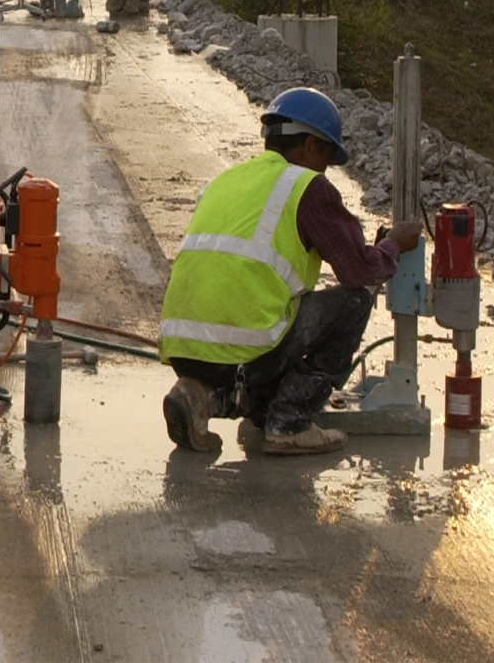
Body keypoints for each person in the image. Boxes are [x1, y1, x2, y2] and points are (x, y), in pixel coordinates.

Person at [158, 88, 423, 456]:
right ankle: (291, 422)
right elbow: (358, 271)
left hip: (185, 350)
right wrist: (393, 243)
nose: (326, 169)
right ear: (309, 146)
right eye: (327, 156)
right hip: (242, 348)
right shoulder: (306, 187)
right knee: (353, 302)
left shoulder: (228, 180)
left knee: (281, 312)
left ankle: (199, 396)